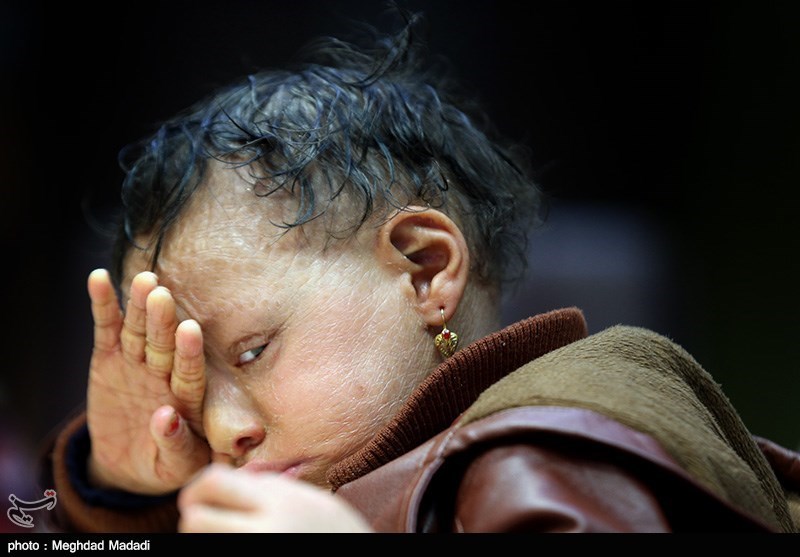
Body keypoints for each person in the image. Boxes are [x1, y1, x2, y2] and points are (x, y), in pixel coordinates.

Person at [38, 13, 799, 533]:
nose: (224, 429)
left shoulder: (548, 452)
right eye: (194, 390)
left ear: (424, 271)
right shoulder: (325, 487)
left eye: (253, 351)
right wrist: (124, 489)